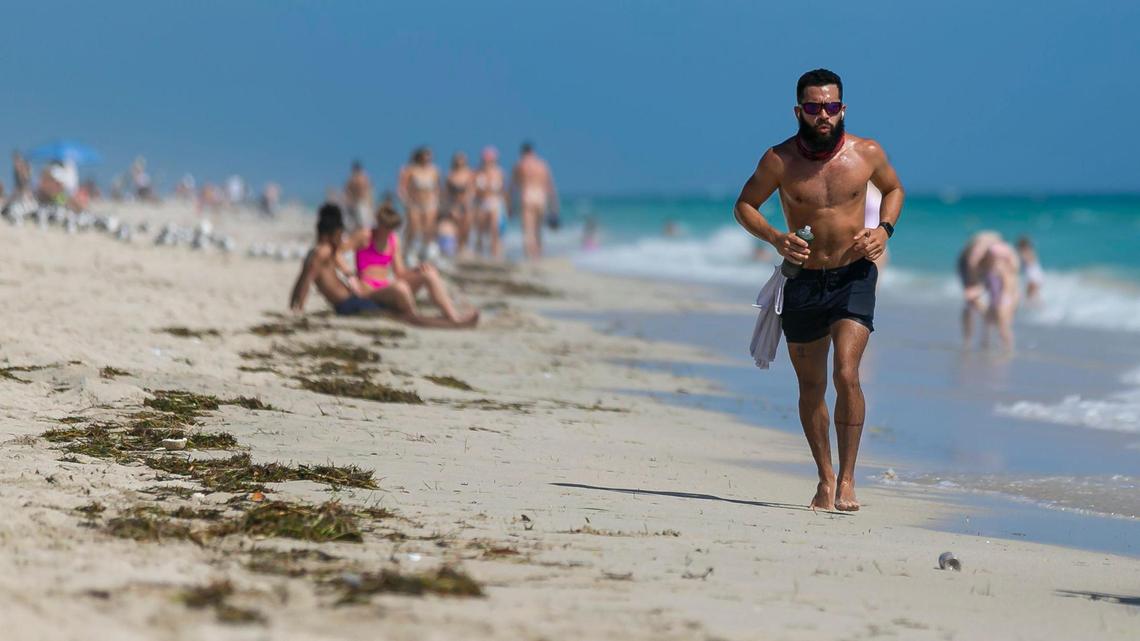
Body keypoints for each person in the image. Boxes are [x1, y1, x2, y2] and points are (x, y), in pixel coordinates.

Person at [733, 68, 905, 512]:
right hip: (804, 280)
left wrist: (884, 230)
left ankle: (848, 480)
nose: (823, 115)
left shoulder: (866, 153)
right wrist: (775, 237)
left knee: (846, 374)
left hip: (853, 275)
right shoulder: (780, 160)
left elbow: (894, 189)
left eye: (831, 106)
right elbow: (744, 205)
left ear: (842, 108)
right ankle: (824, 479)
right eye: (814, 107)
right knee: (811, 386)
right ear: (799, 111)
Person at [342, 202, 479, 328]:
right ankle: (415, 318)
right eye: (386, 228)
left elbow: (400, 273)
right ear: (379, 223)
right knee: (401, 288)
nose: (389, 232)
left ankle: (452, 316)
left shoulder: (393, 240)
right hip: (369, 290)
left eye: (392, 228)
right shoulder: (365, 235)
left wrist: (417, 269)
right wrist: (350, 276)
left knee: (429, 273)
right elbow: (337, 253)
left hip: (386, 287)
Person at [509, 141, 559, 261]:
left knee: (528, 230)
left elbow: (513, 186)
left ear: (522, 152)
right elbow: (550, 186)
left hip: (526, 196)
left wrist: (510, 204)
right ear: (533, 152)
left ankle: (529, 256)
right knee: (538, 229)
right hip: (541, 198)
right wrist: (554, 206)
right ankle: (538, 255)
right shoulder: (542, 165)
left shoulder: (520, 165)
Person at [957, 231, 1001, 346]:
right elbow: (972, 262)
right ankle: (969, 337)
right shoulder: (983, 246)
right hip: (968, 267)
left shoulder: (992, 246)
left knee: (973, 303)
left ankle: (976, 337)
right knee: (970, 302)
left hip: (975, 266)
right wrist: (976, 286)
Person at [397, 147, 441, 265]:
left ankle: (424, 252)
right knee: (414, 228)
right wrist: (405, 200)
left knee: (429, 228)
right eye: (426, 155)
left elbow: (437, 187)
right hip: (414, 203)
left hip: (430, 203)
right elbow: (402, 187)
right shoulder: (410, 170)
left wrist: (437, 200)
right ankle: (409, 251)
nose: (428, 158)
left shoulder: (434, 171)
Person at [980, 240, 1020, 350]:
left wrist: (1005, 301)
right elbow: (988, 286)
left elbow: (1009, 287)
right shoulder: (989, 269)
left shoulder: (1003, 268)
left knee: (1003, 326)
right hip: (994, 300)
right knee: (988, 323)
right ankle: (987, 346)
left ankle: (1008, 347)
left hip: (1003, 300)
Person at [473, 146, 507, 260]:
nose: (488, 161)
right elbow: (473, 191)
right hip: (481, 203)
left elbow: (503, 191)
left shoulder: (499, 172)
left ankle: (495, 255)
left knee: (495, 230)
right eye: (486, 159)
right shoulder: (477, 172)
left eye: (490, 159)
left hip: (495, 203)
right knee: (480, 231)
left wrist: (507, 207)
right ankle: (479, 254)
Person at [444, 152, 476, 254]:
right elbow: (446, 193)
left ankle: (464, 247)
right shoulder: (450, 175)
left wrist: (469, 201)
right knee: (456, 227)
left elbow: (472, 189)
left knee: (466, 227)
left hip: (466, 204)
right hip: (454, 204)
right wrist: (449, 206)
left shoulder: (469, 174)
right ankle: (457, 248)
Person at [344, 160, 373, 234]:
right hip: (359, 204)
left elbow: (347, 192)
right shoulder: (362, 178)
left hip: (359, 203)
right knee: (360, 225)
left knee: (359, 225)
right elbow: (369, 192)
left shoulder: (354, 178)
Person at [1016, 235, 1043, 302]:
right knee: (1033, 295)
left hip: (1032, 276)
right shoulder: (1031, 251)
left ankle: (1036, 308)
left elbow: (1026, 262)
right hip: (1036, 275)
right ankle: (1039, 309)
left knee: (1031, 295)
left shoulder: (1027, 252)